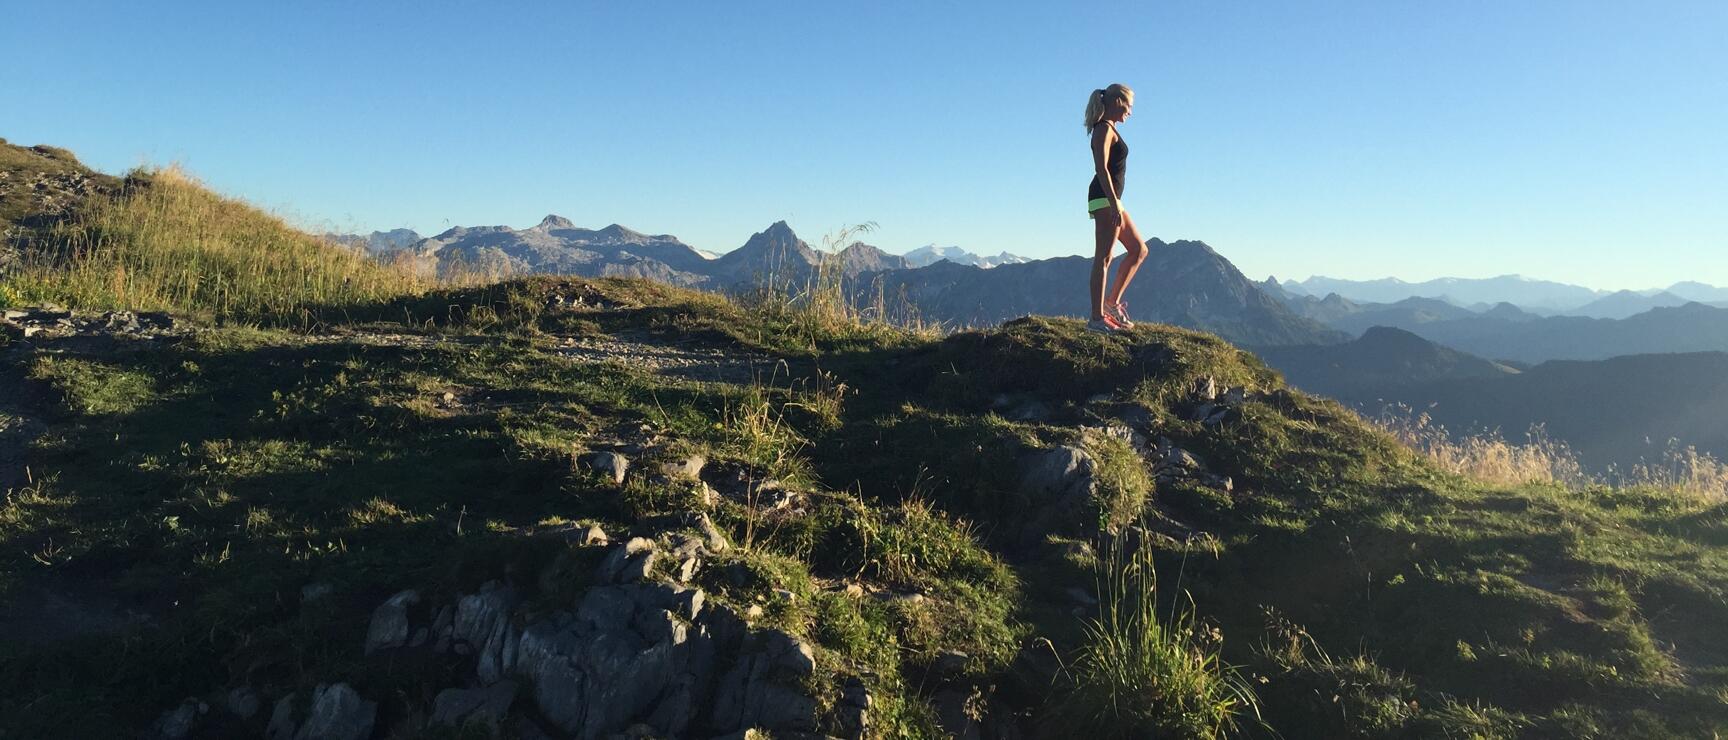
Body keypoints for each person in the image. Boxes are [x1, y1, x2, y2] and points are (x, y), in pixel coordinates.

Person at [1083, 83, 1148, 333]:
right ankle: (1096, 318)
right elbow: (1101, 169)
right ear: (1118, 101)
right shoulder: (1103, 130)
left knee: (1138, 250)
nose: (1130, 112)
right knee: (1104, 257)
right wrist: (1113, 203)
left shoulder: (1110, 129)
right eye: (1129, 105)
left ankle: (1111, 304)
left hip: (1112, 199)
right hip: (1104, 198)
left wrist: (1115, 203)